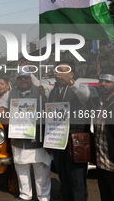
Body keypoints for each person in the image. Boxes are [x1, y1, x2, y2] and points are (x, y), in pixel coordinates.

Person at [0, 70, 51, 201]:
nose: (23, 80)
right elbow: (2, 107)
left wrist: (44, 97)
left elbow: (52, 106)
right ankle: (25, 195)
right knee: (21, 168)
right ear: (16, 81)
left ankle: (44, 197)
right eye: (20, 78)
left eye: (26, 77)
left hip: (38, 138)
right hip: (18, 139)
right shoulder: (10, 94)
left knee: (41, 170)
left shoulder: (41, 91)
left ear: (31, 79)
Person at [47, 61, 90, 201]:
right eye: (55, 70)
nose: (56, 72)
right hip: (59, 141)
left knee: (77, 179)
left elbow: (85, 95)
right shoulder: (54, 90)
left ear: (71, 74)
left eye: (60, 70)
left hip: (75, 140)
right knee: (63, 177)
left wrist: (71, 82)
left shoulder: (78, 88)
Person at [90, 73, 114, 201]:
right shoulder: (97, 103)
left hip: (112, 162)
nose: (103, 84)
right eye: (101, 81)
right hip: (101, 162)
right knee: (105, 195)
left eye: (108, 82)